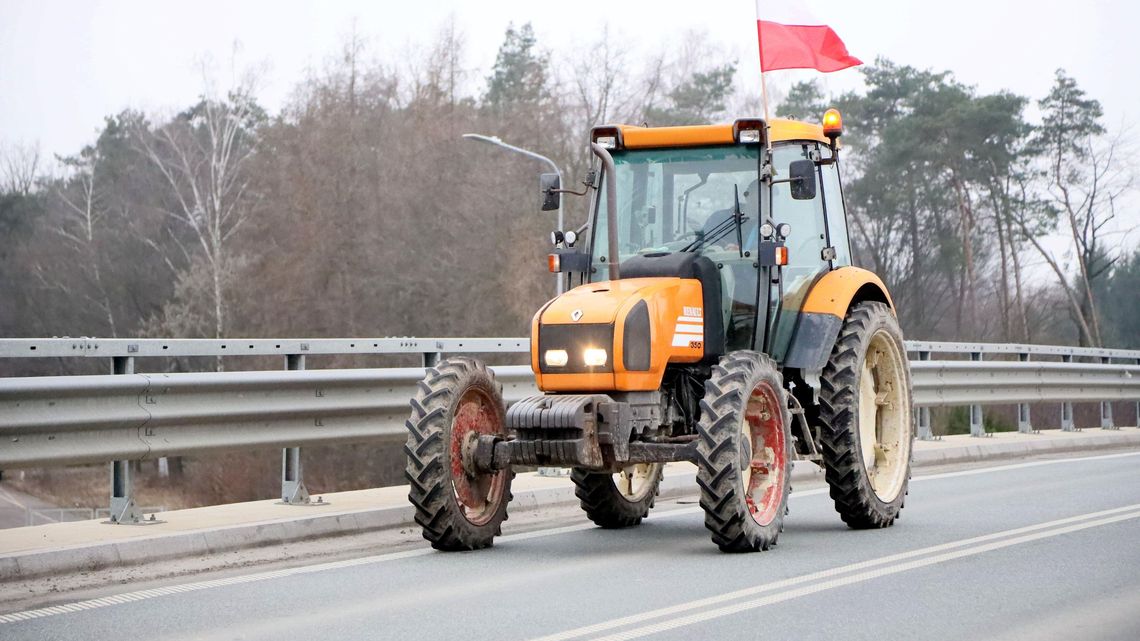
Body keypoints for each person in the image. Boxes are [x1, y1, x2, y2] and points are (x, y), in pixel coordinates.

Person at [699, 178, 760, 251]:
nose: (763, 200)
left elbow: (764, 254)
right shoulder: (719, 218)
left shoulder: (767, 226)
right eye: (759, 194)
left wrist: (741, 252)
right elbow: (703, 244)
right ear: (747, 196)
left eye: (768, 197)